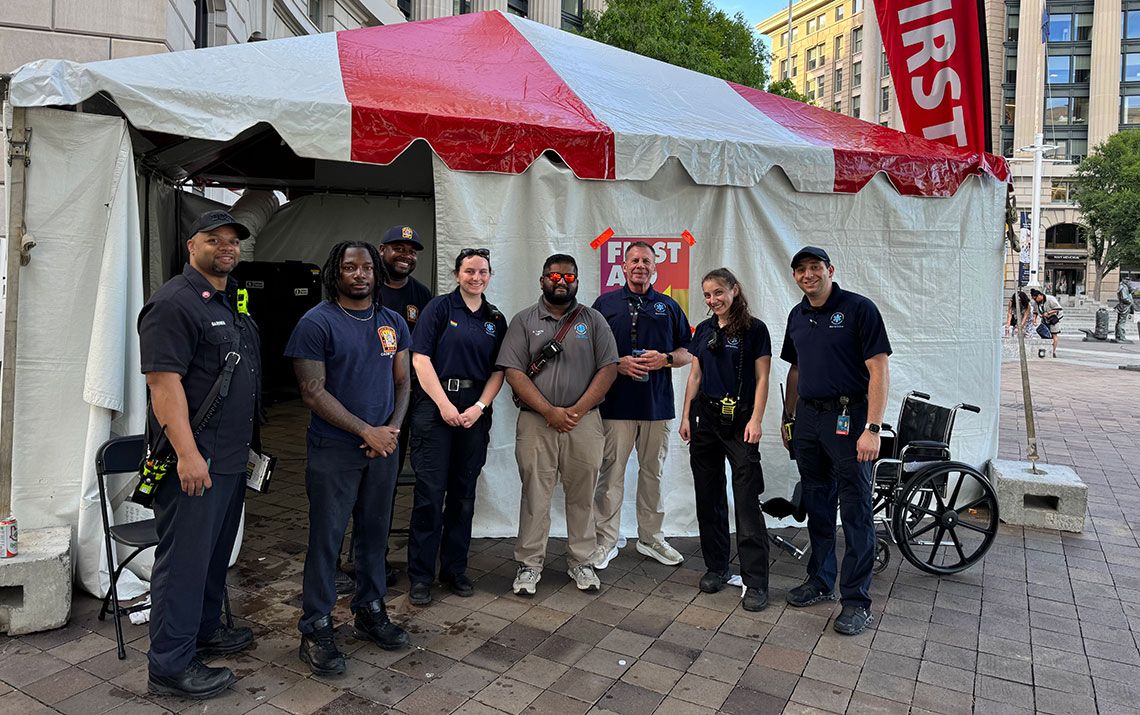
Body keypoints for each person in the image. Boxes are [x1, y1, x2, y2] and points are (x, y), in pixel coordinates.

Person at [139, 210, 260, 699]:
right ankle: (169, 666)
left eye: (232, 240)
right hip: (196, 462)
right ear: (192, 245)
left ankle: (207, 628)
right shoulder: (173, 303)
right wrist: (188, 455)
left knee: (213, 556)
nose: (226, 247)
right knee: (184, 562)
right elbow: (163, 385)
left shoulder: (232, 299)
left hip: (228, 459)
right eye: (214, 239)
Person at [286, 241, 412, 676]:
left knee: (374, 536)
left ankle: (369, 609)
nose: (359, 274)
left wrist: (390, 432)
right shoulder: (315, 322)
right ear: (335, 273)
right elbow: (312, 392)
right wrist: (366, 431)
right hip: (336, 450)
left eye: (366, 267)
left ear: (377, 272)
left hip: (383, 448)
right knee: (327, 539)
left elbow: (403, 382)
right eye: (349, 267)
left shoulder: (392, 321)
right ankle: (315, 626)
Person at [781, 246, 891, 636]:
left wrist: (873, 428)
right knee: (818, 503)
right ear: (795, 277)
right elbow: (795, 369)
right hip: (809, 419)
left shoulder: (859, 309)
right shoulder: (797, 315)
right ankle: (821, 580)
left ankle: (857, 601)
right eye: (801, 270)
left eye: (815, 268)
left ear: (830, 269)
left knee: (857, 509)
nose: (808, 275)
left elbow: (878, 370)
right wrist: (788, 416)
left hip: (850, 419)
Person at [496, 254, 619, 595]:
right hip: (537, 423)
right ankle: (529, 564)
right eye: (554, 275)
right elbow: (513, 372)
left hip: (585, 423)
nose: (561, 281)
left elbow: (609, 368)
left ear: (577, 281)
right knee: (535, 493)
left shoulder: (593, 320)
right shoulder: (524, 320)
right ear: (542, 280)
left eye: (568, 276)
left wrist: (577, 409)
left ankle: (581, 560)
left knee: (582, 495)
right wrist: (549, 410)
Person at [406, 248, 508, 605]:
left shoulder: (496, 318)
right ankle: (420, 575)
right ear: (457, 274)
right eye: (469, 271)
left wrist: (479, 407)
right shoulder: (439, 308)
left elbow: (499, 371)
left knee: (463, 497)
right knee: (430, 496)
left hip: (474, 414)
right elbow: (420, 360)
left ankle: (454, 569)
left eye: (482, 272)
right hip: (435, 411)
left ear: (490, 275)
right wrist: (445, 406)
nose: (476, 277)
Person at [591, 242, 692, 570]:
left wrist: (664, 358)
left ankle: (651, 538)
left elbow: (687, 352)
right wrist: (615, 363)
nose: (640, 265)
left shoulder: (669, 305)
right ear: (623, 265)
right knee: (611, 475)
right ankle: (606, 540)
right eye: (634, 260)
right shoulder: (604, 304)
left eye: (646, 261)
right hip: (615, 406)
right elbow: (589, 351)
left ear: (655, 267)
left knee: (654, 475)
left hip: (656, 406)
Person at [678, 268, 771, 611]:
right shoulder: (703, 330)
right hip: (706, 421)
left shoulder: (754, 330)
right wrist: (687, 415)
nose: (713, 300)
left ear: (734, 289)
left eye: (718, 292)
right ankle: (717, 567)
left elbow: (763, 378)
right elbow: (695, 374)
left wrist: (757, 420)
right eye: (707, 295)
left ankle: (756, 581)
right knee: (708, 496)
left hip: (740, 421)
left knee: (746, 501)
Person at [1030, 288, 1063, 357]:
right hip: (1045, 319)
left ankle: (1053, 351)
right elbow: (1035, 312)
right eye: (1034, 299)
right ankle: (1046, 349)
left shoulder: (1050, 299)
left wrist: (1048, 313)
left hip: (1055, 318)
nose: (1035, 300)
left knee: (1054, 334)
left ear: (1040, 295)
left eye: (1036, 298)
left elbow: (1058, 308)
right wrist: (1034, 319)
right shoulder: (1036, 303)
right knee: (1044, 333)